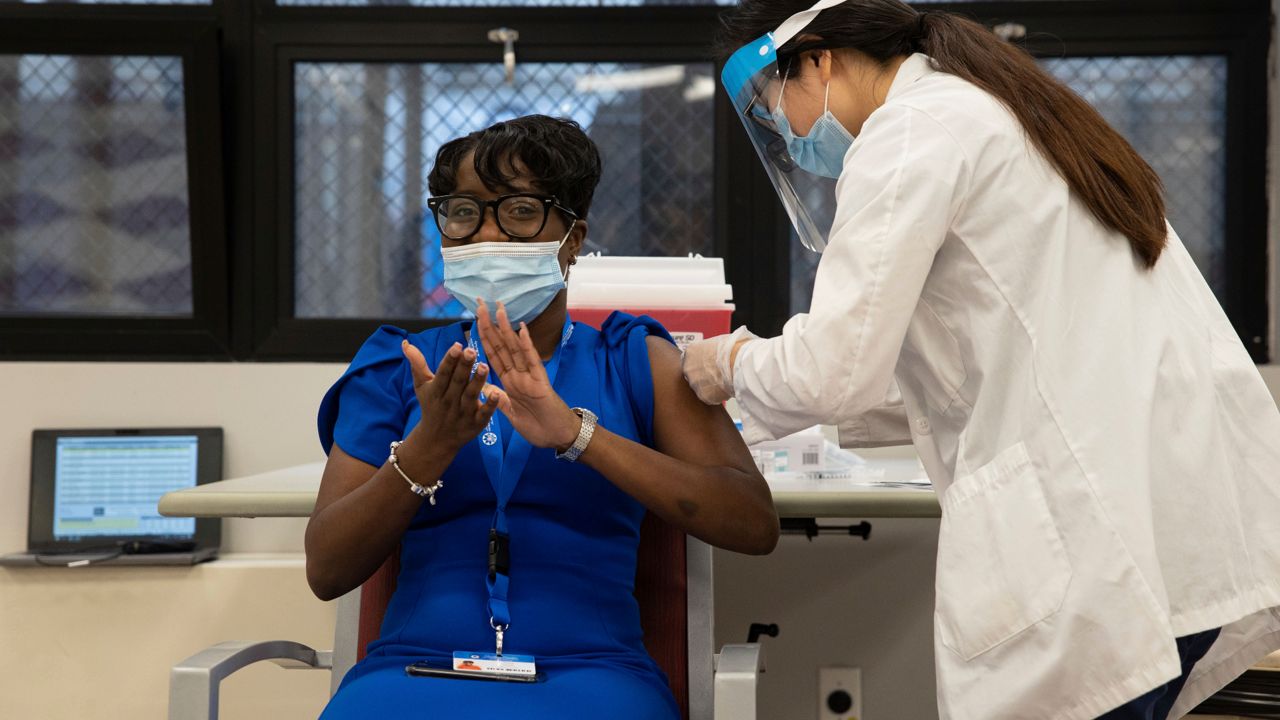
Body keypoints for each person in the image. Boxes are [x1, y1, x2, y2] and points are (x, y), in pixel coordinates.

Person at [683, 1, 1280, 718]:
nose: (786, 128)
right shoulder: (986, 111)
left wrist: (728, 364)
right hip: (1173, 514)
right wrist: (781, 411)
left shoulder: (909, 134)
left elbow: (832, 371)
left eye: (776, 104)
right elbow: (962, 370)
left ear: (818, 59)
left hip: (1099, 541)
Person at [307, 115, 779, 719]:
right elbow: (327, 569)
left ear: (573, 238)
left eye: (520, 212)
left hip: (593, 676)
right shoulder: (399, 366)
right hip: (415, 667)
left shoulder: (638, 362)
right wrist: (430, 445)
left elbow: (751, 522)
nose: (487, 237)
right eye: (463, 213)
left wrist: (575, 434)